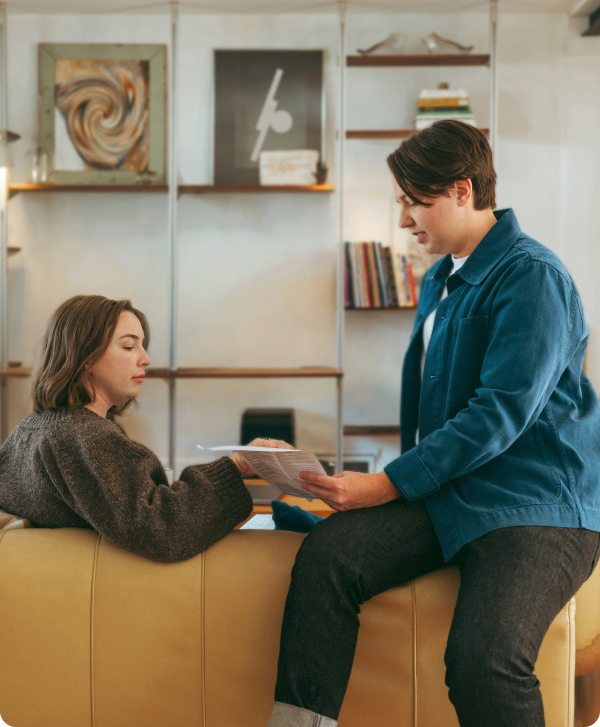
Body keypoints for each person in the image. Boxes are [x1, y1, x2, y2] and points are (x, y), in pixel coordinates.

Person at [265, 120, 600, 727]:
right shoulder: (439, 280)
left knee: (482, 659)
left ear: (462, 190)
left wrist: (388, 483)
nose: (402, 220)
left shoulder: (532, 276)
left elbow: (499, 412)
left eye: (413, 202)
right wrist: (368, 498)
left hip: (535, 506)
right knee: (328, 555)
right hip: (453, 494)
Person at [0, 294, 268, 562]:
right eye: (129, 347)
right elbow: (164, 529)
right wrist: (238, 465)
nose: (146, 359)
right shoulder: (86, 437)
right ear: (85, 358)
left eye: (142, 346)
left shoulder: (27, 432)